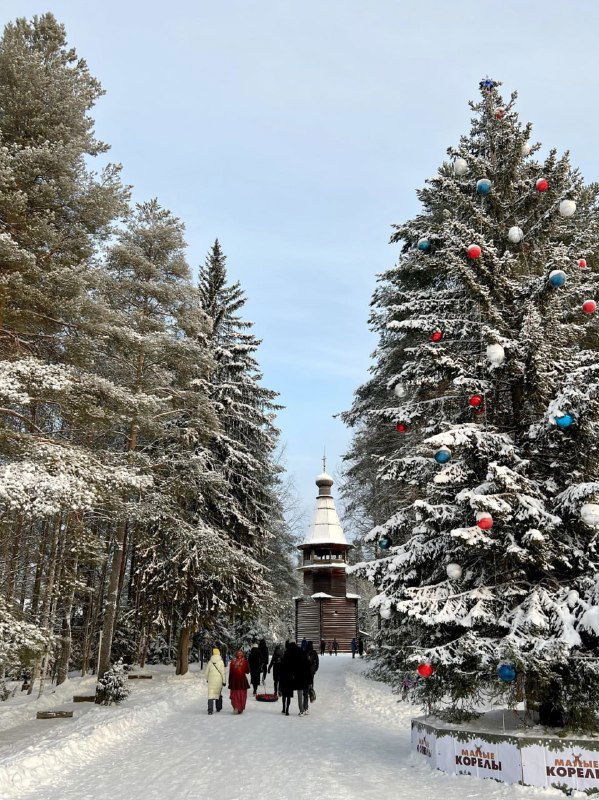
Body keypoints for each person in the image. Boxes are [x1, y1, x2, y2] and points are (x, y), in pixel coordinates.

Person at [228, 649, 250, 714]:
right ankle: (240, 707)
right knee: (242, 695)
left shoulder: (232, 662)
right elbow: (247, 671)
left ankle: (236, 707)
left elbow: (231, 672)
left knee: (234, 694)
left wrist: (229, 681)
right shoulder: (245, 662)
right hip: (242, 681)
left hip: (234, 681)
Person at [205, 647, 226, 715]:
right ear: (219, 653)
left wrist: (207, 679)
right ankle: (218, 707)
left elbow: (206, 672)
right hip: (219, 680)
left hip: (211, 680)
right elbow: (223, 672)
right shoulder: (221, 662)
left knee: (210, 695)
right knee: (218, 693)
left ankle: (210, 710)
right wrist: (224, 681)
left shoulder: (210, 662)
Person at [279, 642, 295, 716]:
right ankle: (287, 710)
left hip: (283, 677)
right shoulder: (293, 658)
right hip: (290, 678)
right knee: (288, 695)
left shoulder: (283, 657)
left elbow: (280, 668)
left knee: (284, 694)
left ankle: (283, 708)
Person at [295, 644, 312, 716]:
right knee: (305, 695)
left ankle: (301, 710)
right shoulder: (308, 662)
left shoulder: (297, 662)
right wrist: (310, 682)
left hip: (299, 681)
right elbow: (310, 673)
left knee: (299, 696)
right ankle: (306, 708)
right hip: (306, 681)